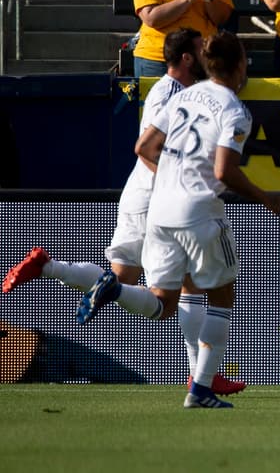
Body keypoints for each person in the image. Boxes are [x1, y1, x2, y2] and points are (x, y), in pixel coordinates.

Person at [2, 28, 246, 398]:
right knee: (178, 292)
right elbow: (146, 148)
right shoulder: (176, 92)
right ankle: (203, 378)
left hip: (145, 195)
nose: (204, 54)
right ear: (186, 58)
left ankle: (48, 266)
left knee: (133, 281)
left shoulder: (175, 91)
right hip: (159, 196)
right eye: (199, 49)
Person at [76, 32, 280, 409]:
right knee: (221, 296)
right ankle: (200, 389)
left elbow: (144, 147)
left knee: (163, 303)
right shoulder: (235, 110)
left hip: (160, 211)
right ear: (239, 65)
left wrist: (174, 172)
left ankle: (115, 289)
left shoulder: (182, 96)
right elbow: (224, 171)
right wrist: (265, 197)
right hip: (198, 212)